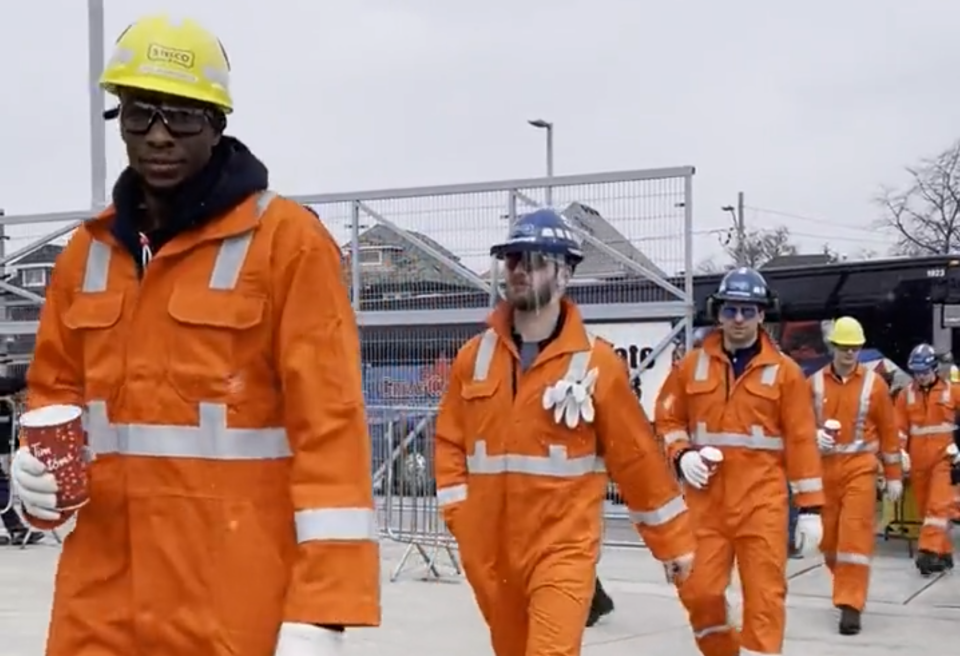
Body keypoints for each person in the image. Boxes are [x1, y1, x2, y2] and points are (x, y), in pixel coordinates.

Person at [8, 15, 379, 656]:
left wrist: (324, 611)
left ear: (216, 123)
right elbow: (54, 402)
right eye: (139, 113)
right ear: (118, 119)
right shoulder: (85, 255)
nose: (158, 135)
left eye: (180, 115)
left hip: (232, 606)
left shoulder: (287, 246)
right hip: (100, 610)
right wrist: (38, 490)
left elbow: (332, 432)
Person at [434, 209, 697, 656]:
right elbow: (448, 442)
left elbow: (635, 459)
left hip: (562, 551)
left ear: (564, 275)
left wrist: (672, 542)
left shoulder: (597, 364)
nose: (519, 270)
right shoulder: (473, 358)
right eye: (513, 259)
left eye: (534, 261)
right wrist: (460, 513)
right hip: (490, 554)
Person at [659, 266, 825, 656]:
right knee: (699, 593)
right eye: (731, 310)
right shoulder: (691, 366)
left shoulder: (785, 374)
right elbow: (667, 418)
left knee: (765, 600)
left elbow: (801, 440)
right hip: (706, 506)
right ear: (718, 312)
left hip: (761, 505)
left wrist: (811, 509)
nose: (738, 319)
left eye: (748, 311)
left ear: (761, 315)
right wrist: (681, 454)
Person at [809, 316, 902, 635]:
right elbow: (795, 426)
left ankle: (851, 605)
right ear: (833, 347)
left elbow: (889, 432)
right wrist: (812, 436)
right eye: (844, 348)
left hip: (860, 469)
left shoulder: (874, 385)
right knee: (830, 542)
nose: (849, 354)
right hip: (825, 471)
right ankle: (846, 587)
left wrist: (893, 475)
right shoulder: (814, 384)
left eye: (855, 348)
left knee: (854, 536)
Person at [894, 343, 959, 575]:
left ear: (934, 369)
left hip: (944, 458)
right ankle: (943, 554)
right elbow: (899, 428)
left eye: (924, 372)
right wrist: (900, 452)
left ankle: (928, 551)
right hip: (918, 462)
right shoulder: (905, 395)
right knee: (927, 511)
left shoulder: (952, 391)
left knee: (937, 506)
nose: (921, 377)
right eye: (917, 373)